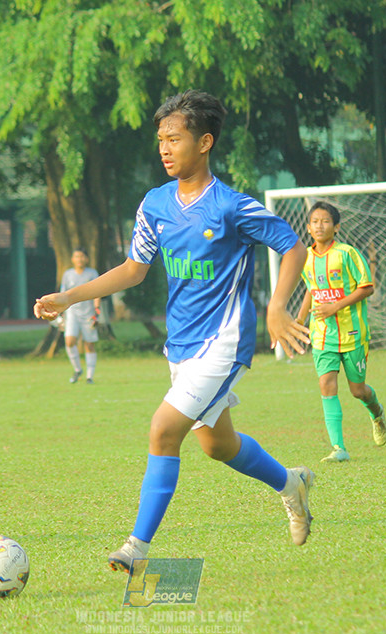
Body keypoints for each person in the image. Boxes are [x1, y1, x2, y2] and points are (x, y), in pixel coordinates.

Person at [34, 89, 314, 572]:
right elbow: (133, 269)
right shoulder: (155, 204)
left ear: (204, 142)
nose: (164, 149)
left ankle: (136, 549)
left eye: (174, 139)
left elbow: (294, 248)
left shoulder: (231, 207)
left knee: (163, 430)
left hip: (224, 342)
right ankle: (292, 484)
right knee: (217, 445)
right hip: (180, 346)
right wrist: (70, 297)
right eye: (160, 140)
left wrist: (277, 307)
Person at [295, 201, 386, 463]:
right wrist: (300, 319)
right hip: (322, 334)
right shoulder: (305, 258)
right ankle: (339, 448)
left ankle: (377, 412)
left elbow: (367, 287)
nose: (320, 226)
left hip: (352, 333)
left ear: (336, 227)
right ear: (308, 227)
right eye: (315, 221)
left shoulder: (347, 254)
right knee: (326, 384)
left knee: (358, 390)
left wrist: (335, 306)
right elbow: (311, 290)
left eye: (325, 221)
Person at [60, 248, 101, 384]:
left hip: (88, 312)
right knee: (69, 341)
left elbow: (98, 292)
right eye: (77, 256)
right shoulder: (68, 274)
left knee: (89, 344)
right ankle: (77, 369)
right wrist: (61, 314)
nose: (79, 259)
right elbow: (63, 294)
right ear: (72, 259)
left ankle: (89, 376)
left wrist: (97, 311)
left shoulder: (92, 273)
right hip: (72, 312)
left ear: (87, 259)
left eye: (82, 256)